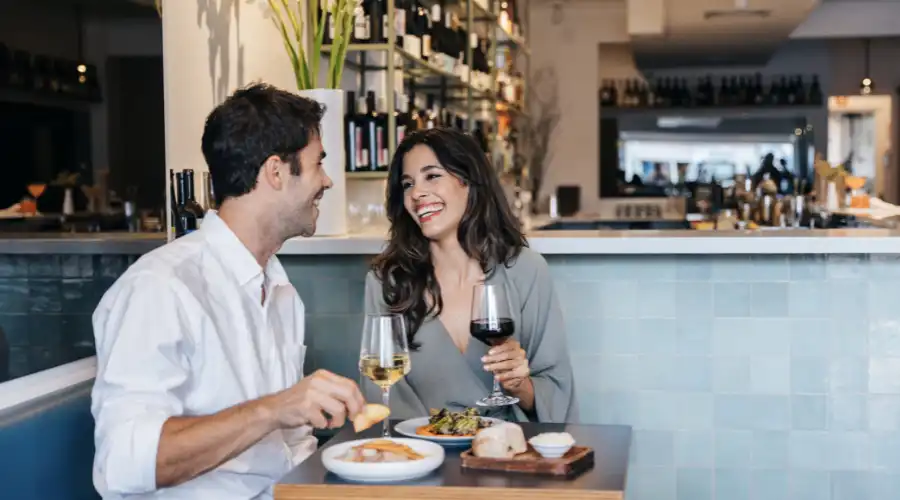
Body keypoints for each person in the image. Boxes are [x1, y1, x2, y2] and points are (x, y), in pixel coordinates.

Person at [90, 83, 366, 499]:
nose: (325, 181)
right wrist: (275, 408)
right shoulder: (161, 288)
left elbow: (290, 451)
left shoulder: (280, 289)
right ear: (275, 172)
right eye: (317, 165)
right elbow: (124, 464)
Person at [363, 128, 577, 423]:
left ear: (469, 182)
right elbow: (384, 398)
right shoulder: (387, 281)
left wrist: (518, 384)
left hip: (508, 453)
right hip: (422, 455)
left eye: (432, 176)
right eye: (407, 183)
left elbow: (556, 395)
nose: (416, 193)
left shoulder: (526, 270)